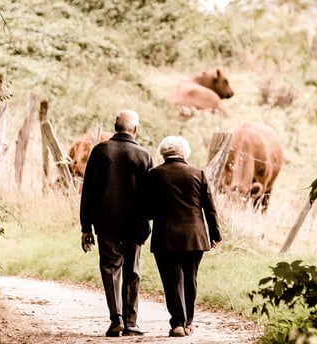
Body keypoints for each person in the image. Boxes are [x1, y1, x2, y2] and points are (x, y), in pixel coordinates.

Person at [80, 109, 154, 337]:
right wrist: (149, 219)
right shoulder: (144, 155)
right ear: (136, 129)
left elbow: (88, 191)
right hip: (135, 224)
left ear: (115, 127)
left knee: (110, 269)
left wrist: (86, 227)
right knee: (132, 271)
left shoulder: (100, 151)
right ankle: (131, 323)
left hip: (106, 223)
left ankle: (116, 319)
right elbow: (150, 194)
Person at [146, 135, 222, 338]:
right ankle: (188, 322)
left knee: (171, 281)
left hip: (165, 237)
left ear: (163, 152)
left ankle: (177, 323)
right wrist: (215, 234)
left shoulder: (154, 174)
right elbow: (210, 208)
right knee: (190, 279)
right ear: (185, 152)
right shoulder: (198, 174)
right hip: (194, 236)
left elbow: (148, 209)